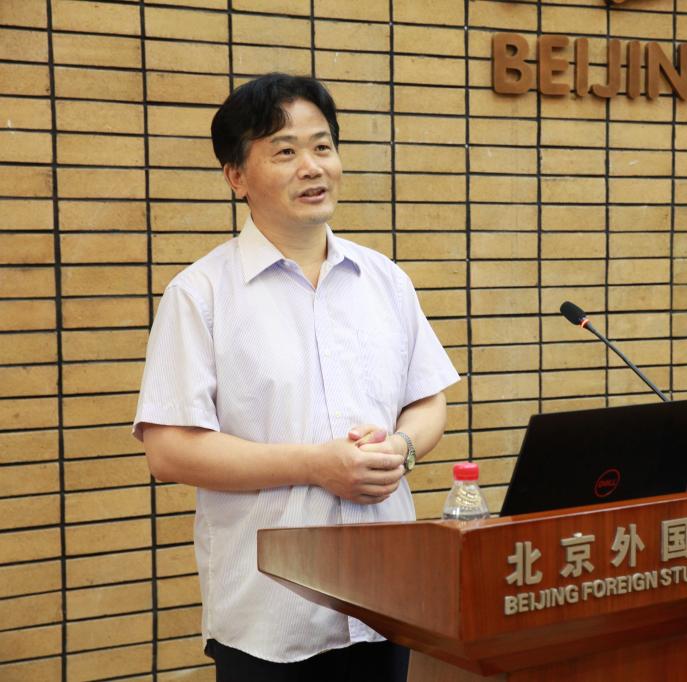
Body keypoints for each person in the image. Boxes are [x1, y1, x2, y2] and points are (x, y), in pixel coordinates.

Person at [132, 73, 459, 681]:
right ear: (236, 175)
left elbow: (427, 402)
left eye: (322, 146)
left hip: (388, 601)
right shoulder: (200, 294)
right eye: (284, 151)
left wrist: (402, 448)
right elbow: (169, 450)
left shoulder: (385, 280)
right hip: (270, 618)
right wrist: (315, 465)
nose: (312, 167)